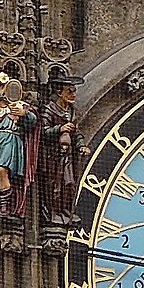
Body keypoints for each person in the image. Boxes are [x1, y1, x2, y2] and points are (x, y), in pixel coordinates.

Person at [0, 70, 39, 220]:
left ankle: (5, 207)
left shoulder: (20, 107)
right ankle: (4, 206)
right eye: (1, 87)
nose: (4, 90)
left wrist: (24, 114)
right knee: (0, 174)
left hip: (12, 142)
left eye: (6, 87)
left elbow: (33, 123)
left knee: (2, 171)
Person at [38, 74, 80, 227]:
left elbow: (77, 133)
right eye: (69, 91)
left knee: (69, 184)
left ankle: (66, 212)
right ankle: (54, 212)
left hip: (67, 155)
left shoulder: (72, 111)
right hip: (53, 156)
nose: (73, 94)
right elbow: (43, 131)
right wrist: (60, 129)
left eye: (74, 91)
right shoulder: (49, 110)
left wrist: (81, 145)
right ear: (59, 92)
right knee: (55, 186)